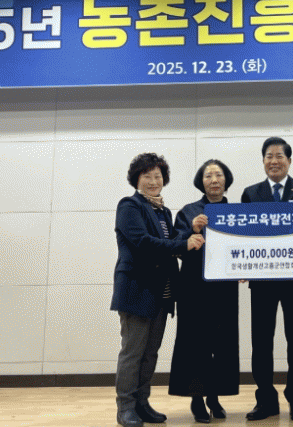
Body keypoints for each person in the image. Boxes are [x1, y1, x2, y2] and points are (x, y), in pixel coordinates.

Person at [111, 153, 205, 427]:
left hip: (162, 293)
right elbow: (144, 243)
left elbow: (173, 240)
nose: (153, 181)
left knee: (150, 353)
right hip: (137, 291)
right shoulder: (129, 206)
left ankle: (142, 403)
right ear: (136, 179)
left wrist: (191, 230)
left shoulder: (163, 211)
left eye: (158, 176)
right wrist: (184, 244)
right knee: (133, 353)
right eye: (147, 176)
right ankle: (125, 407)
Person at [241, 137, 293, 422]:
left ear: (289, 160)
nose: (274, 161)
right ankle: (266, 400)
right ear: (263, 161)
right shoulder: (251, 193)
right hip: (262, 282)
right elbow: (243, 237)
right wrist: (240, 266)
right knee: (261, 342)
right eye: (269, 156)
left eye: (279, 156)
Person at [169, 159, 239, 423]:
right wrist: (192, 230)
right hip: (193, 288)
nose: (214, 179)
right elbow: (175, 246)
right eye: (208, 175)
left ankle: (215, 397)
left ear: (226, 180)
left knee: (222, 344)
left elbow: (246, 247)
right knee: (195, 344)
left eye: (219, 174)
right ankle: (197, 399)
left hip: (224, 289)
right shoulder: (189, 211)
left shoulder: (236, 213)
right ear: (201, 181)